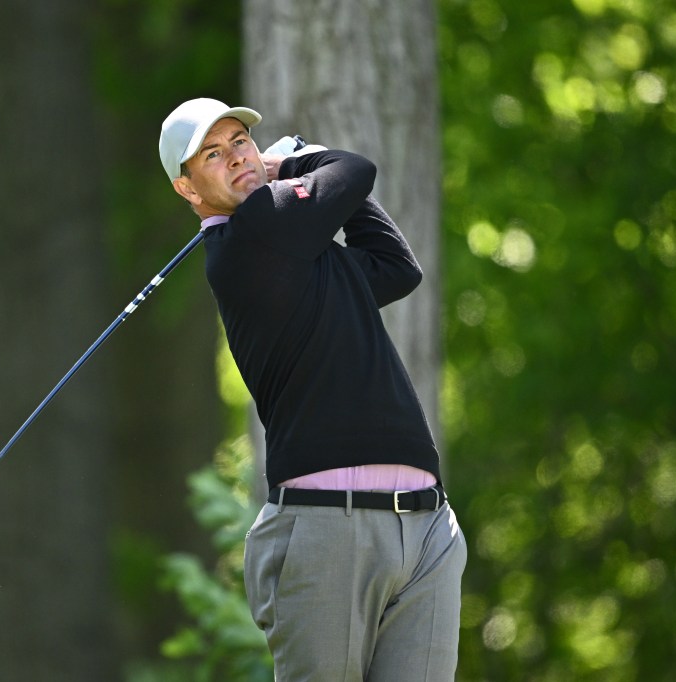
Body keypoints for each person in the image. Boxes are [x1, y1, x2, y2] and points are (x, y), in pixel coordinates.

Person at [159, 97, 467, 682]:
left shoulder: (298, 250)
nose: (237, 158)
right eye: (214, 155)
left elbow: (396, 267)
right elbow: (354, 170)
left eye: (241, 144)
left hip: (426, 527)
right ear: (188, 189)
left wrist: (300, 177)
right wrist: (301, 162)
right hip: (328, 528)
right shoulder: (250, 235)